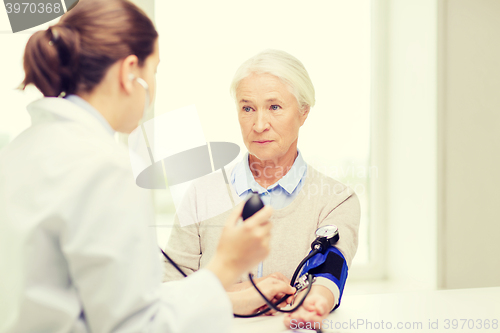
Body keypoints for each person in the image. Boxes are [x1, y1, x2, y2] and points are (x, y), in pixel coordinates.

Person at [0, 1, 285, 332]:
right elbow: (135, 326)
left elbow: (113, 300)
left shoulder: (19, 150)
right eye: (155, 70)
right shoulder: (105, 166)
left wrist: (232, 297)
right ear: (130, 71)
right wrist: (226, 265)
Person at [162, 49, 361, 327]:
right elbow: (166, 291)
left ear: (303, 112)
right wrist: (241, 297)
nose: (259, 125)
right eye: (247, 108)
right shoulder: (201, 195)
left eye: (274, 107)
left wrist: (313, 305)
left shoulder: (336, 200)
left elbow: (328, 274)